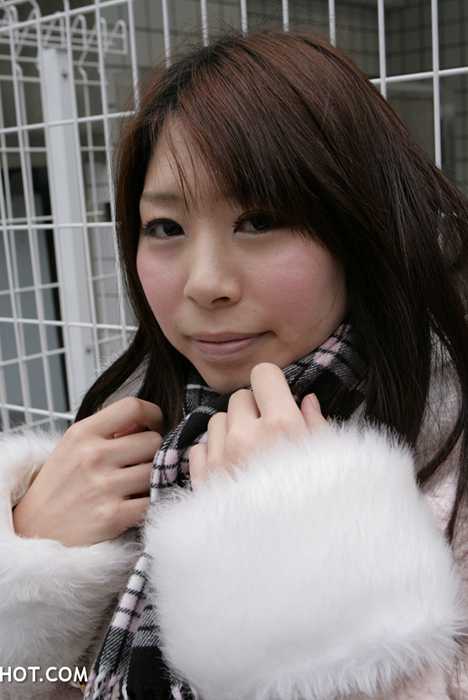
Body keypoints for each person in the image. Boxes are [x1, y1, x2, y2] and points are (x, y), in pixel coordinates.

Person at [2, 27, 468, 700]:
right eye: (166, 228)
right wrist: (30, 570)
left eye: (260, 221)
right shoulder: (129, 446)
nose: (205, 284)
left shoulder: (449, 456)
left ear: (361, 227)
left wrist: (300, 557)